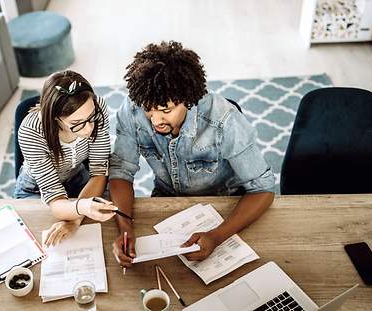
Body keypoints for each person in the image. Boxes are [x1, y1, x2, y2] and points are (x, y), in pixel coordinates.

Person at [109, 41, 275, 267]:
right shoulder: (132, 109)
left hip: (223, 203)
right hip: (165, 197)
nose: (156, 120)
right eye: (149, 110)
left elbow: (263, 189)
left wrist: (216, 237)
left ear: (188, 100)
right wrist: (126, 229)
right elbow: (121, 172)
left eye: (166, 110)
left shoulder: (224, 119)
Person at [15, 70, 116, 246]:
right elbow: (55, 200)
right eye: (77, 124)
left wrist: (74, 220)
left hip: (79, 178)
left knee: (109, 226)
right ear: (54, 118)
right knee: (36, 241)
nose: (88, 129)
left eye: (91, 118)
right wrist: (83, 208)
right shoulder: (30, 131)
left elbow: (100, 170)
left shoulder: (97, 106)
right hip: (36, 189)